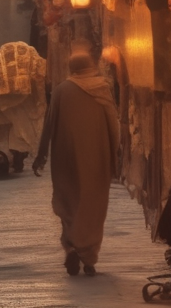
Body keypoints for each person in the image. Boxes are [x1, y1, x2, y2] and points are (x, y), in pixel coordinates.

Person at [33, 50, 119, 277]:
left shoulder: (62, 89)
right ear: (91, 65)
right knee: (93, 206)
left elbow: (49, 124)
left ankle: (71, 245)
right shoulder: (103, 88)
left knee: (69, 201)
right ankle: (88, 257)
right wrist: (117, 156)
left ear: (72, 67)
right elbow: (113, 124)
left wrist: (41, 154)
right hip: (97, 158)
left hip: (66, 157)